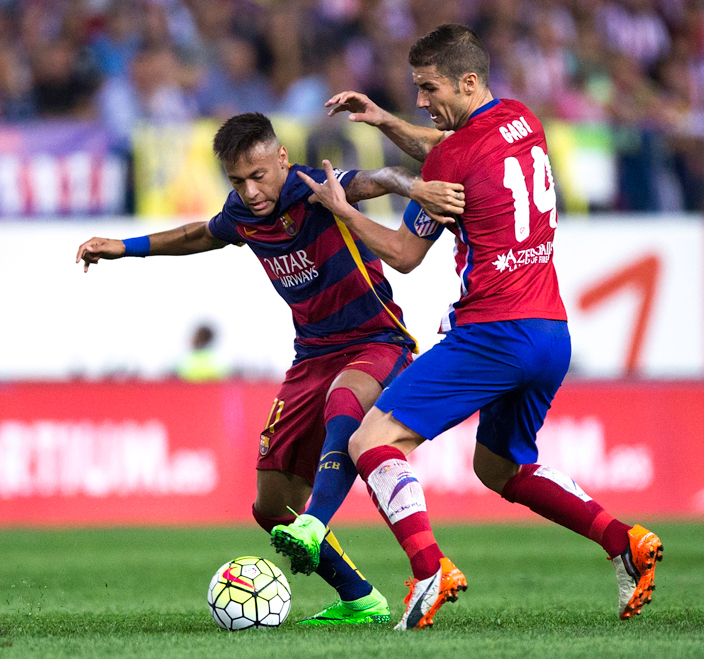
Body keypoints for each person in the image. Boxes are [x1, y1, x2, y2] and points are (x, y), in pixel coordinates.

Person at [273, 24, 663, 631]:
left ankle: (429, 571)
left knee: (370, 441)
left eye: (429, 89)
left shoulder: (450, 160)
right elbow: (451, 143)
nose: (421, 100)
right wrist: (384, 120)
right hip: (549, 332)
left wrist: (343, 210)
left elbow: (404, 254)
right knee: (499, 468)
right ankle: (624, 540)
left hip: (493, 332)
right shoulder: (522, 119)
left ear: (469, 80)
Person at [75, 111, 465, 625]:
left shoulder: (312, 189)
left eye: (258, 176)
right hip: (311, 356)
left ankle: (316, 522)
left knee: (344, 402)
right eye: (238, 180)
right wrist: (124, 248)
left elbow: (379, 178)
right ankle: (360, 599)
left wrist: (414, 186)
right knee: (272, 507)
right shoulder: (242, 213)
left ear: (281, 158)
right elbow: (198, 234)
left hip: (376, 340)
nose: (250, 190)